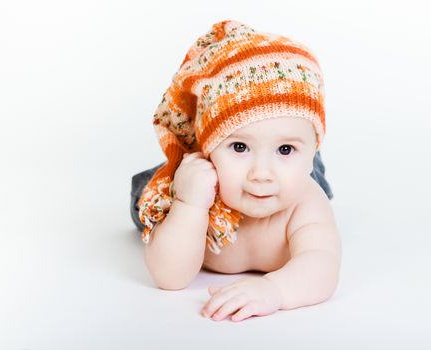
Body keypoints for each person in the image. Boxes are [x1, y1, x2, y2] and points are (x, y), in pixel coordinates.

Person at [130, 20, 342, 322]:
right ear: (209, 149)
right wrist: (188, 204)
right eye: (240, 147)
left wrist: (275, 291)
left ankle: (283, 155)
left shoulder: (306, 203)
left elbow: (322, 265)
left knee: (305, 176)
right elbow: (169, 278)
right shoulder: (202, 189)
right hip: (205, 180)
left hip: (301, 176)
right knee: (147, 197)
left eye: (285, 149)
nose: (261, 173)